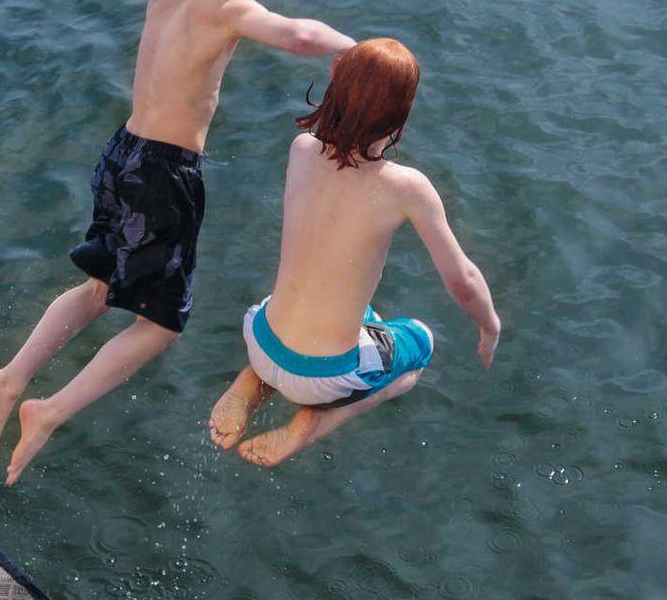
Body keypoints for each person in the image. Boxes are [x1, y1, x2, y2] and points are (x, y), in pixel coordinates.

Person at [0, 0, 357, 484]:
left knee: (99, 287)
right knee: (160, 326)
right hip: (164, 174)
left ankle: (10, 378)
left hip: (122, 153)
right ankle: (49, 410)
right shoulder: (226, 9)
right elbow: (300, 34)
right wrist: (358, 51)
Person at [208, 39, 500, 465]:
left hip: (260, 338)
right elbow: (463, 281)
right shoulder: (407, 188)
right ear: (401, 115)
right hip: (321, 379)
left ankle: (254, 380)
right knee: (419, 346)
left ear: (336, 89)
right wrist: (490, 328)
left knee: (338, 303)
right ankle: (314, 423)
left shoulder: (301, 149)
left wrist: (346, 74)